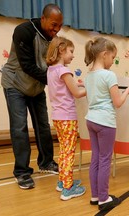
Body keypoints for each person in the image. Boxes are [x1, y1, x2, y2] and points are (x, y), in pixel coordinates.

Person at [0, 4, 63, 189]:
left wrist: (65, 78)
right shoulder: (24, 31)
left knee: (43, 125)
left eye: (60, 25)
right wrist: (56, 80)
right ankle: (22, 171)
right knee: (19, 128)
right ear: (42, 19)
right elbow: (27, 65)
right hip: (15, 85)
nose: (56, 29)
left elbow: (54, 65)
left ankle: (46, 162)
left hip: (36, 88)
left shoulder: (54, 38)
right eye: (53, 24)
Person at [84, 37, 129, 211]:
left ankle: (95, 195)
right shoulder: (109, 75)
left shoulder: (89, 75)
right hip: (105, 122)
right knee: (105, 159)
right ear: (104, 55)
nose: (113, 62)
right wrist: (126, 92)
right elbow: (117, 102)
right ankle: (104, 199)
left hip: (91, 120)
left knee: (96, 158)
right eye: (113, 58)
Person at [46, 36, 86, 201]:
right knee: (69, 152)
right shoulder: (64, 70)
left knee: (63, 150)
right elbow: (77, 93)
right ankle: (68, 188)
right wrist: (92, 87)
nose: (73, 55)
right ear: (61, 50)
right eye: (71, 51)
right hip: (68, 118)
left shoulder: (51, 70)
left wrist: (79, 85)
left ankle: (63, 181)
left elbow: (68, 88)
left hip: (57, 117)